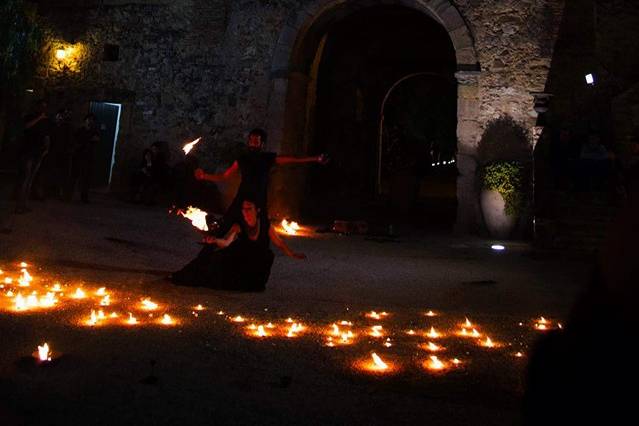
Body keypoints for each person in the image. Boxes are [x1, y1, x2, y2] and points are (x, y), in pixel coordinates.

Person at [194, 128, 328, 235]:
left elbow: (291, 159)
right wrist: (205, 176)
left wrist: (314, 159)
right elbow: (224, 176)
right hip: (242, 197)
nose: (253, 142)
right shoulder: (242, 159)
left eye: (256, 140)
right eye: (251, 140)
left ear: (262, 144)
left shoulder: (267, 158)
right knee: (226, 225)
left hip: (258, 200)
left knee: (259, 232)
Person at [171, 199, 305, 291]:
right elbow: (226, 242)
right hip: (242, 261)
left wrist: (292, 254)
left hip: (257, 264)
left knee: (268, 255)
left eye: (249, 209)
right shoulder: (239, 225)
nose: (245, 212)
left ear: (257, 210)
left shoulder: (265, 224)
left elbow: (279, 243)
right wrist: (215, 241)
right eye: (243, 209)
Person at [14, 99, 52, 213]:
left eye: (45, 107)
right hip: (28, 151)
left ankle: (24, 204)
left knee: (30, 179)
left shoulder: (46, 121)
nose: (43, 109)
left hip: (38, 152)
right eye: (41, 106)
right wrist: (39, 118)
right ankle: (19, 205)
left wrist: (47, 148)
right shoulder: (30, 117)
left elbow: (47, 135)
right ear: (37, 107)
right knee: (25, 177)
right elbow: (27, 126)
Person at [67, 113, 100, 203]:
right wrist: (87, 140)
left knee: (86, 178)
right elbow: (76, 141)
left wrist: (86, 140)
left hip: (89, 156)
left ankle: (84, 197)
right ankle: (69, 196)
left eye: (92, 120)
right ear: (85, 120)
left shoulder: (94, 131)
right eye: (89, 119)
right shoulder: (80, 130)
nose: (90, 121)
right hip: (79, 155)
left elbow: (96, 139)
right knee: (74, 176)